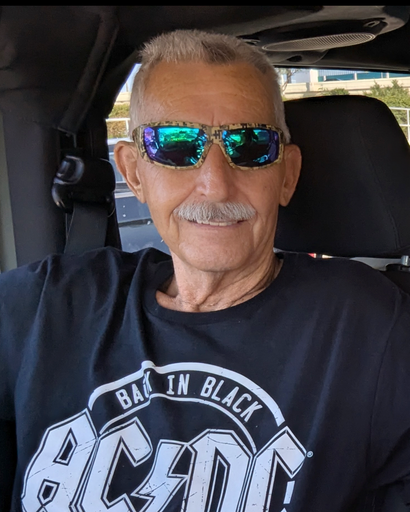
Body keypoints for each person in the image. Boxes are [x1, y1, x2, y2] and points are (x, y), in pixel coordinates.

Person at [1, 29, 410, 512]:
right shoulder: (50, 301)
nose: (215, 185)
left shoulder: (371, 329)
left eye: (250, 145)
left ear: (287, 175)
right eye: (175, 144)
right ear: (134, 173)